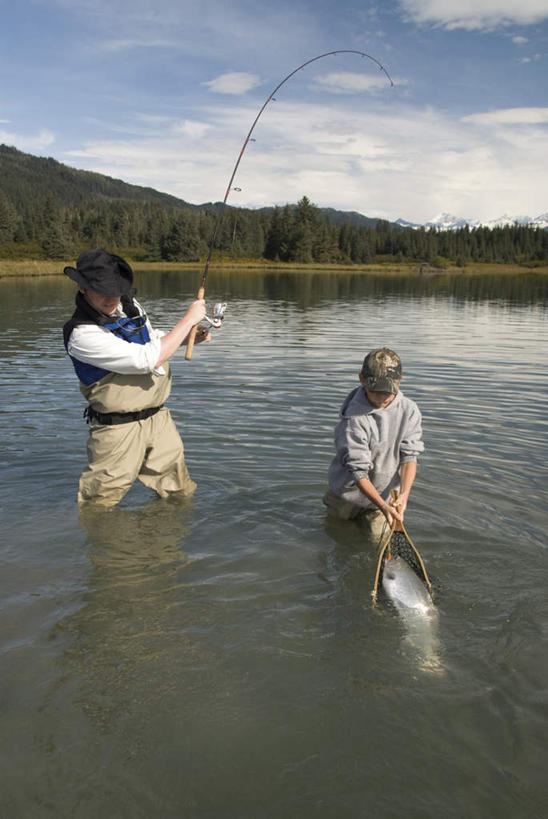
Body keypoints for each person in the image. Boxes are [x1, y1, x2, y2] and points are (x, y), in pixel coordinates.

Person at [63, 247, 210, 506]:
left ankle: (168, 543)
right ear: (82, 289)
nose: (112, 299)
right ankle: (96, 545)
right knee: (98, 505)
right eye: (103, 291)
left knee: (180, 494)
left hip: (159, 419)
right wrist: (187, 320)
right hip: (116, 430)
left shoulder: (129, 306)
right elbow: (147, 360)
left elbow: (152, 342)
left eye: (116, 290)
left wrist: (188, 337)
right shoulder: (81, 335)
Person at [323, 347, 424, 543]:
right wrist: (383, 505)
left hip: (384, 498)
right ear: (362, 379)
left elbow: (410, 456)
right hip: (345, 495)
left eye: (388, 391)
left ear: (399, 381)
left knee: (378, 542)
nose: (383, 397)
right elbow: (359, 471)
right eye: (376, 391)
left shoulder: (409, 410)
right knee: (336, 536)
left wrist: (403, 495)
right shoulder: (353, 419)